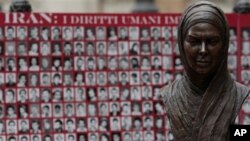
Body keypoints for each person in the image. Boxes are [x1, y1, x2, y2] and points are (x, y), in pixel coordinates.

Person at [160, 1, 250, 141]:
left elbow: (243, 133)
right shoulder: (168, 95)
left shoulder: (240, 95)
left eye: (212, 41)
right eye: (194, 41)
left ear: (224, 44)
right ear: (181, 43)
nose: (203, 50)